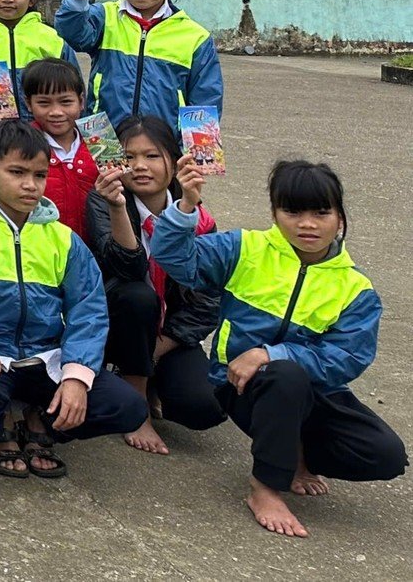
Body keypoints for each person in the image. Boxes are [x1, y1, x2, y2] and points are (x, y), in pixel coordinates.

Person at [149, 156, 405, 537]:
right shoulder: (244, 249)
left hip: (312, 393)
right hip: (239, 388)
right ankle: (266, 487)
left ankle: (297, 449)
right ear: (274, 212)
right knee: (283, 377)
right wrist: (186, 205)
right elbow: (174, 257)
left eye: (321, 212)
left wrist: (272, 352)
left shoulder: (355, 288)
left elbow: (348, 358)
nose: (307, 224)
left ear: (340, 218)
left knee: (384, 455)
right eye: (292, 211)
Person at [0, 119, 148, 478]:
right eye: (17, 172)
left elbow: (89, 310)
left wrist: (77, 377)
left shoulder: (62, 237)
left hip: (46, 355)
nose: (30, 185)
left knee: (127, 407)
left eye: (39, 174)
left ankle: (40, 424)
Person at [82, 114, 222, 457]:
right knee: (137, 294)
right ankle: (136, 400)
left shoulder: (197, 217)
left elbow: (207, 301)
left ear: (174, 162)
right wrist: (117, 208)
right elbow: (128, 268)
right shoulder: (102, 200)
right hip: (118, 325)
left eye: (152, 156)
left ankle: (151, 379)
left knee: (206, 407)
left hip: (166, 336)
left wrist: (160, 346)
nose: (140, 166)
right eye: (129, 157)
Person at [57, 0, 223, 125]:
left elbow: (205, 104)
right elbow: (69, 31)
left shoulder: (196, 38)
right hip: (106, 145)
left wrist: (187, 153)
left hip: (162, 150)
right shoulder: (105, 18)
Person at [22, 60, 97, 236]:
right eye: (44, 103)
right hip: (43, 250)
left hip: (100, 252)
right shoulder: (20, 143)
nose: (56, 112)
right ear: (28, 103)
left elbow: (125, 189)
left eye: (65, 102)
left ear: (81, 101)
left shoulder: (100, 135)